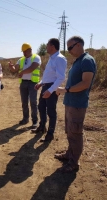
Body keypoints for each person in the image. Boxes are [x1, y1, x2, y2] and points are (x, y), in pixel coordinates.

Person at [55, 36, 96, 172]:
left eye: (70, 47)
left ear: (79, 45)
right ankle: (69, 154)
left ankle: (74, 163)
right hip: (71, 102)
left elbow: (85, 83)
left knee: (76, 133)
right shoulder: (78, 61)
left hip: (78, 104)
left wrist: (65, 89)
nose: (69, 51)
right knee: (70, 131)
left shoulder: (87, 61)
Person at [31, 38, 67, 142]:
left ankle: (50, 134)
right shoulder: (52, 58)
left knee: (51, 111)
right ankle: (42, 127)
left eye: (47, 45)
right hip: (46, 85)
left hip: (52, 87)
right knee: (41, 107)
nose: (46, 47)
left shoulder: (60, 58)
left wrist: (51, 90)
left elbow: (61, 78)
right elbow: (49, 75)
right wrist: (41, 83)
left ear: (52, 46)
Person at [8, 43, 41, 127]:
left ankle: (35, 121)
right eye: (23, 52)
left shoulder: (36, 58)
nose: (24, 53)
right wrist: (11, 67)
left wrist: (22, 72)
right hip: (23, 83)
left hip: (33, 83)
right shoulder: (21, 60)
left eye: (25, 51)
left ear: (30, 50)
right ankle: (25, 119)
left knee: (33, 102)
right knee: (24, 102)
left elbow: (31, 68)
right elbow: (15, 69)